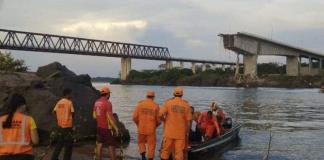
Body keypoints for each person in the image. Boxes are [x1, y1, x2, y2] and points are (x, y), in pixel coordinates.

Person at [0, 94, 39, 160]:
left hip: (4, 157)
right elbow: (35, 141)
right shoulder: (29, 120)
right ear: (22, 105)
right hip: (25, 156)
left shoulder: (1, 120)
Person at [159, 87, 192, 160]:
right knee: (179, 153)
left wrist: (164, 120)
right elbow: (189, 121)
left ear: (174, 94)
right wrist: (187, 133)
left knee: (165, 152)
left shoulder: (168, 103)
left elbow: (160, 114)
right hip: (180, 134)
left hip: (169, 133)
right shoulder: (186, 105)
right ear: (182, 95)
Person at [93, 86, 119, 160]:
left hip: (99, 127)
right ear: (107, 94)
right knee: (111, 146)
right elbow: (110, 117)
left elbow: (94, 116)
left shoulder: (96, 102)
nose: (109, 95)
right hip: (107, 128)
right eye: (109, 94)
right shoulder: (108, 103)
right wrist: (116, 128)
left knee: (99, 144)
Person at [133, 91, 160, 160]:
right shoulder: (156, 106)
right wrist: (155, 126)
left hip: (141, 128)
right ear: (153, 97)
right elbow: (158, 121)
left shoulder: (140, 104)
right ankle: (150, 158)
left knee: (141, 142)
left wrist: (138, 125)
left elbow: (134, 117)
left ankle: (143, 156)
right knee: (151, 145)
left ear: (146, 96)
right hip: (151, 129)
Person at [51, 88, 74, 160]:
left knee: (59, 144)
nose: (71, 95)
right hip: (67, 126)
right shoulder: (69, 102)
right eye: (70, 94)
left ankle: (54, 158)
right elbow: (73, 113)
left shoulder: (59, 102)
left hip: (60, 126)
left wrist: (59, 118)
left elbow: (53, 112)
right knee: (68, 145)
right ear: (67, 94)